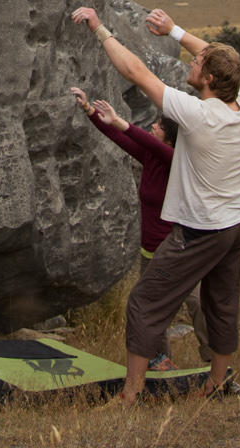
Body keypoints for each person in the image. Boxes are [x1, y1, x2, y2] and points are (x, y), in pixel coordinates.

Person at [70, 4, 240, 404]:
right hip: (237, 222)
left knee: (144, 302)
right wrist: (174, 31)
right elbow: (222, 60)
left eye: (197, 61)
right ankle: (217, 382)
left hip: (202, 229)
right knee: (221, 302)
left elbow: (136, 71)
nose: (193, 58)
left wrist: (100, 29)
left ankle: (131, 394)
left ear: (207, 79)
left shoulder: (199, 115)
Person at [69, 88, 211, 368]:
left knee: (198, 305)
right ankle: (161, 361)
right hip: (150, 253)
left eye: (158, 125)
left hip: (178, 251)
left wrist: (122, 121)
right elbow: (117, 137)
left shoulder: (177, 162)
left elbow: (146, 141)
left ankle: (214, 362)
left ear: (170, 136)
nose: (152, 126)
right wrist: (89, 111)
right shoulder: (151, 159)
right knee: (149, 310)